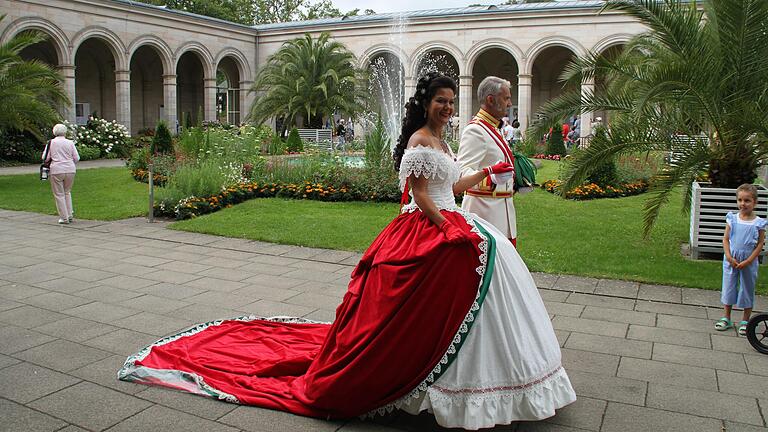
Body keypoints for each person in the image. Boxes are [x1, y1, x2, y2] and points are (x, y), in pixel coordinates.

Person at [118, 72, 576, 430]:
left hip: (454, 217)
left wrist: (483, 177)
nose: (447, 108)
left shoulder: (444, 140)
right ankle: (437, 377)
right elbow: (420, 195)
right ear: (426, 103)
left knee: (480, 277)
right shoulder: (419, 141)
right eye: (441, 101)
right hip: (426, 226)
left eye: (452, 102)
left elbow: (450, 186)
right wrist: (446, 229)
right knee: (450, 280)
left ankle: (477, 379)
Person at [457, 76, 519, 246]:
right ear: (490, 100)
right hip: (484, 212)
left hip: (502, 210)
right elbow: (462, 173)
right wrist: (491, 177)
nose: (509, 103)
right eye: (506, 98)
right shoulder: (475, 131)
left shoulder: (492, 128)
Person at [715, 184, 766, 335]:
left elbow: (760, 244)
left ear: (755, 202)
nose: (743, 204)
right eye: (740, 200)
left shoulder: (758, 223)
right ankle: (726, 317)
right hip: (732, 260)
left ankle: (745, 320)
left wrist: (749, 260)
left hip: (748, 261)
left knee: (747, 288)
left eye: (747, 200)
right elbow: (725, 239)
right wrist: (729, 256)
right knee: (729, 286)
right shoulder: (732, 219)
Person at [44, 123, 79, 224]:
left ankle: (64, 217)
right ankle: (70, 214)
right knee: (67, 192)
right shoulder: (70, 142)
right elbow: (76, 158)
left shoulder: (51, 143)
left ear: (54, 132)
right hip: (70, 169)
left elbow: (45, 158)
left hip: (56, 169)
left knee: (59, 194)